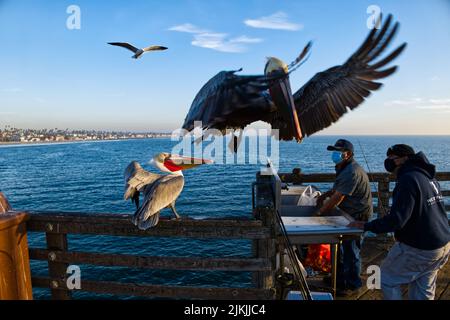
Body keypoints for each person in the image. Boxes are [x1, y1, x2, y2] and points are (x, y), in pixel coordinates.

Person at [349, 144, 450, 300]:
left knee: (386, 279)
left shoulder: (408, 179)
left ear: (405, 158)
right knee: (423, 289)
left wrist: (367, 226)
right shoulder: (428, 176)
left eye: (392, 158)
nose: (389, 162)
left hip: (420, 248)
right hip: (442, 244)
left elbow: (397, 220)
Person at [316, 139, 373, 296]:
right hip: (349, 213)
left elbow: (338, 198)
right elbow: (336, 190)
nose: (334, 154)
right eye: (333, 151)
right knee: (343, 248)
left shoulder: (351, 172)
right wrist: (325, 195)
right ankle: (340, 278)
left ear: (347, 154)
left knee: (352, 251)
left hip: (358, 216)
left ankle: (352, 284)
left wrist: (320, 212)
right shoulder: (343, 167)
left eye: (337, 151)